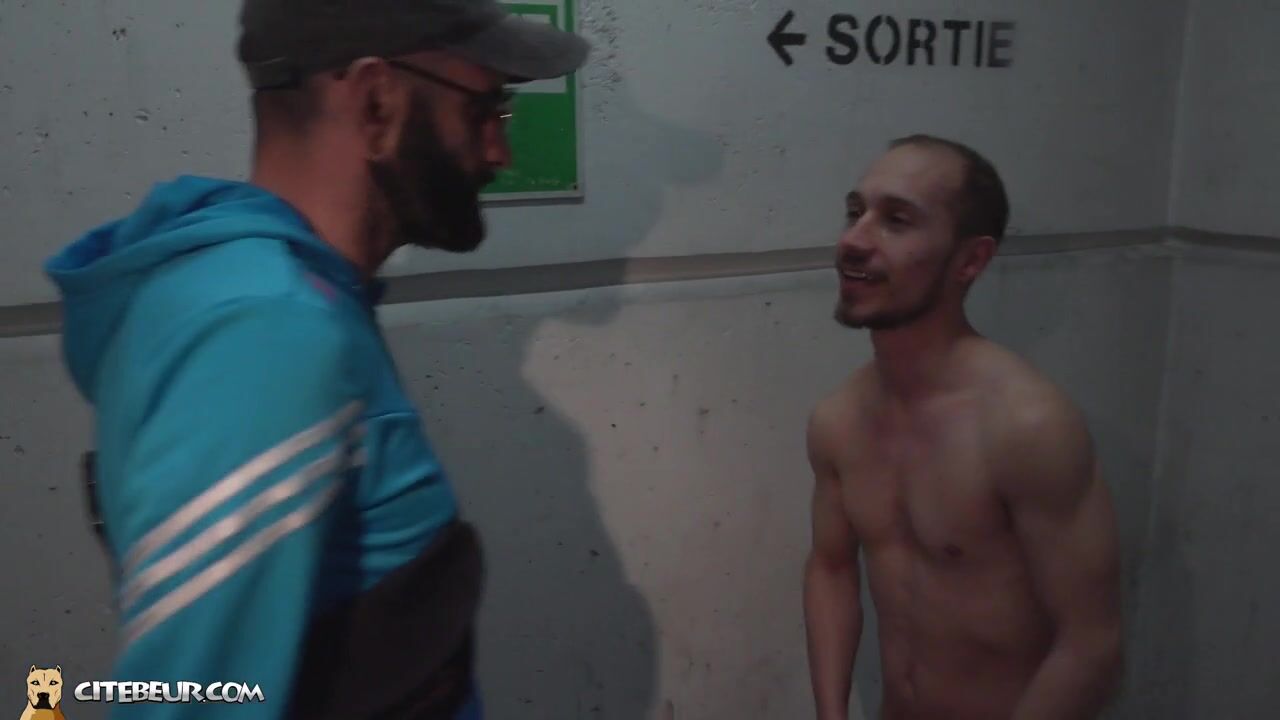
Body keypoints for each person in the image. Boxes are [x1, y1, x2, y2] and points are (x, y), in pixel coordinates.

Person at [43, 1, 589, 718]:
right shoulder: (265, 333)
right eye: (483, 109)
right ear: (375, 102)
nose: (499, 152)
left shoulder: (266, 294)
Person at [802, 135, 1124, 720]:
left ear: (970, 261)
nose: (853, 239)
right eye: (855, 212)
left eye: (896, 221)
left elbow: (1092, 644)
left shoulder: (1025, 426)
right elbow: (831, 569)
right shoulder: (838, 420)